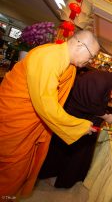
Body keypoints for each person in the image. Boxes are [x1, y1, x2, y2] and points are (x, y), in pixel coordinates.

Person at [0, 30, 100, 197]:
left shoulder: (70, 66)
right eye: (90, 56)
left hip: (33, 123)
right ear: (79, 44)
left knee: (19, 170)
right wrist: (78, 125)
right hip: (15, 120)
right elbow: (45, 103)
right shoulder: (49, 57)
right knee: (9, 171)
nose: (89, 61)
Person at [38, 70, 112, 188]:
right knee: (74, 151)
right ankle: (61, 177)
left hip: (77, 115)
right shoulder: (102, 80)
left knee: (64, 148)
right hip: (76, 118)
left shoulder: (104, 77)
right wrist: (107, 116)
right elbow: (92, 104)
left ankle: (54, 172)